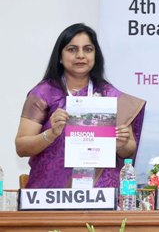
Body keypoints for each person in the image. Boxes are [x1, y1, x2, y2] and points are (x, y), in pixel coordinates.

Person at [15, 23, 146, 188]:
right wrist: (51, 134)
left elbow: (128, 150)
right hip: (53, 193)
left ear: (95, 56)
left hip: (101, 193)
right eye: (72, 49)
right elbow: (22, 147)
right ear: (60, 57)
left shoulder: (110, 94)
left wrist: (122, 143)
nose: (81, 55)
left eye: (88, 49)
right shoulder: (43, 93)